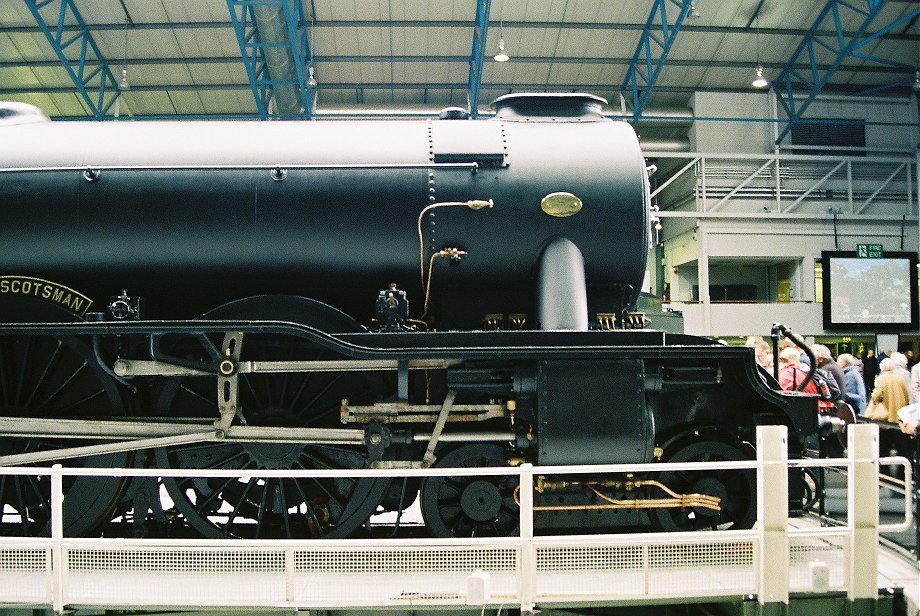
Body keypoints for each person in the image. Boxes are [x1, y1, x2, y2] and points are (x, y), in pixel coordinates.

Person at [777, 347, 833, 411]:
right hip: (817, 407)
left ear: (783, 361)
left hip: (801, 410)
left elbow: (783, 397)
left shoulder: (788, 373)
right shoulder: (805, 372)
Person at [865, 358, 909, 423]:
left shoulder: (880, 379)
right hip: (900, 412)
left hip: (887, 413)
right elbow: (906, 395)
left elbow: (876, 395)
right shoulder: (900, 378)